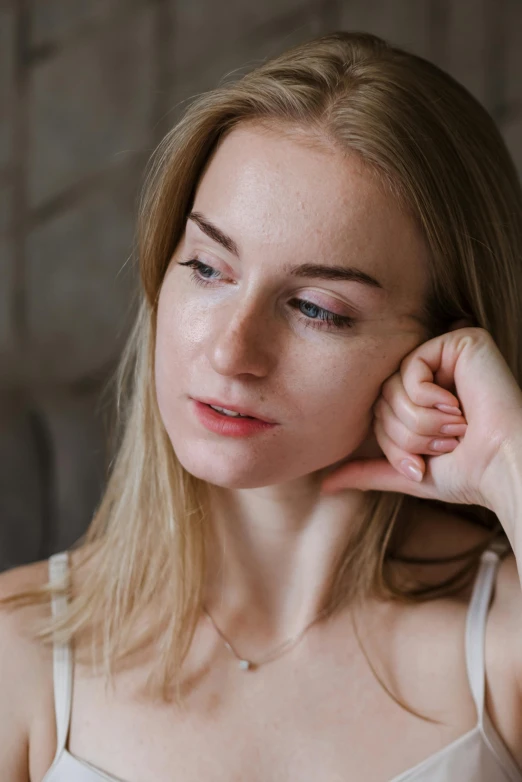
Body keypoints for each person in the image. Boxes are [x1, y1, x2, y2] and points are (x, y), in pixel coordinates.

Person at [1, 30, 522, 782]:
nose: (230, 352)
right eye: (208, 268)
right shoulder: (19, 652)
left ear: (442, 339)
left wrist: (509, 464)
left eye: (316, 308)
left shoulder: (500, 643)